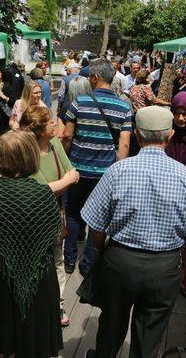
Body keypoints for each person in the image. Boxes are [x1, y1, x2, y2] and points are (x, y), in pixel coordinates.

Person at [81, 106, 186, 358]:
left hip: (120, 261)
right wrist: (180, 262)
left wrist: (106, 249)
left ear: (138, 136)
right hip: (164, 267)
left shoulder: (117, 171)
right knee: (150, 337)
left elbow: (94, 227)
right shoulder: (185, 176)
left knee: (111, 325)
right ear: (169, 135)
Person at [0, 130, 63, 357]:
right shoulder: (42, 193)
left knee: (2, 339)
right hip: (38, 277)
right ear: (31, 156)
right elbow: (56, 237)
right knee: (35, 338)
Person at [61, 59, 132, 276]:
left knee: (73, 214)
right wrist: (117, 172)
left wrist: (65, 163)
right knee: (99, 219)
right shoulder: (124, 107)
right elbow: (125, 144)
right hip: (106, 175)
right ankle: (89, 263)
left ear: (94, 78)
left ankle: (70, 259)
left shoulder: (79, 103)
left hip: (77, 172)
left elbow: (67, 136)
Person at [20, 106, 80, 327]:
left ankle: (58, 303)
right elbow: (35, 189)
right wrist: (62, 183)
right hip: (31, 216)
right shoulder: (25, 151)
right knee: (33, 259)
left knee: (57, 259)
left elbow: (72, 174)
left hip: (54, 212)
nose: (55, 124)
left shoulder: (55, 144)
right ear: (38, 128)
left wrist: (57, 185)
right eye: (50, 122)